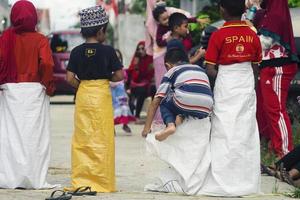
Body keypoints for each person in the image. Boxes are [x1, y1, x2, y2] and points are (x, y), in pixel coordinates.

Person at [202, 0, 262, 196]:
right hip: (245, 83)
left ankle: (223, 178)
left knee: (223, 129)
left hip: (226, 82)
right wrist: (249, 85)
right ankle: (246, 181)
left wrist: (222, 80)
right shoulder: (253, 35)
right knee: (245, 130)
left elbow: (210, 68)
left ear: (223, 10)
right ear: (245, 10)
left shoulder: (218, 35)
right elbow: (255, 66)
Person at [66, 5, 123, 192]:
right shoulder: (108, 51)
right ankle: (103, 182)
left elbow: (69, 78)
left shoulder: (75, 52)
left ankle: (82, 180)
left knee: (83, 138)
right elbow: (120, 75)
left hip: (83, 96)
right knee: (102, 137)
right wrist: (107, 78)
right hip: (101, 96)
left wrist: (82, 85)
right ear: (100, 31)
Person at [0, 0, 55, 189]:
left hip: (10, 91)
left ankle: (10, 177)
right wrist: (47, 85)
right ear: (34, 17)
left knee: (10, 137)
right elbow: (47, 64)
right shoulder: (40, 40)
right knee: (35, 137)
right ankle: (34, 177)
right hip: (34, 91)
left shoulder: (5, 38)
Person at [254, 0, 299, 158]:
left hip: (277, 66)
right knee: (270, 110)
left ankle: (285, 155)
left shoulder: (276, 11)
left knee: (276, 111)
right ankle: (279, 151)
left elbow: (264, 42)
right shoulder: (269, 11)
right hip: (270, 66)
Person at [141, 47, 213, 141]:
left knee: (164, 99)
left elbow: (155, 102)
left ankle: (170, 125)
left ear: (167, 66)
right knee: (186, 101)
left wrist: (146, 129)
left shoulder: (172, 71)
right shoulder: (199, 69)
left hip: (185, 101)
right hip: (206, 107)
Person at [127, 41, 155, 121]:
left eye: (143, 48)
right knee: (140, 91)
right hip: (135, 85)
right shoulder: (136, 59)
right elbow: (133, 76)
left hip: (147, 85)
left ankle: (154, 115)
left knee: (153, 90)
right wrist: (136, 67)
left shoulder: (150, 58)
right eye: (139, 49)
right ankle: (135, 116)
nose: (141, 51)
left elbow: (150, 75)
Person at [110, 49, 135, 133]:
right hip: (111, 92)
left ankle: (125, 124)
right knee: (113, 109)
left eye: (118, 57)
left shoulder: (122, 70)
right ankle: (111, 126)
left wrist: (126, 91)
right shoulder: (108, 68)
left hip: (121, 92)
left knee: (124, 107)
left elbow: (124, 82)